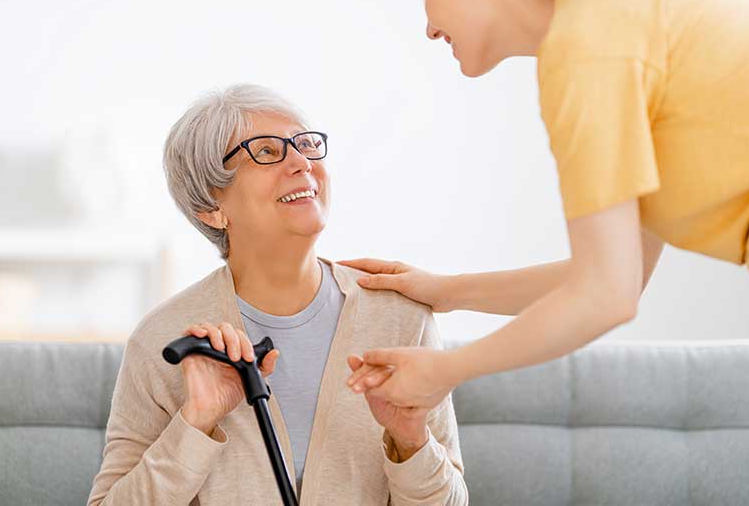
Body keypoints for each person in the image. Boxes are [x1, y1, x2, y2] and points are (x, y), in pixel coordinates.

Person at [343, 0, 749, 504]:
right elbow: (614, 278)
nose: (429, 26)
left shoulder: (588, 47)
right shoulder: (621, 21)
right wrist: (446, 292)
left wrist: (444, 371)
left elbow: (605, 295)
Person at [87, 84, 467, 505]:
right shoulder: (166, 342)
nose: (302, 162)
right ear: (212, 207)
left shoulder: (400, 318)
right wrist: (195, 423)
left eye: (305, 145)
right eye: (266, 152)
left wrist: (411, 443)